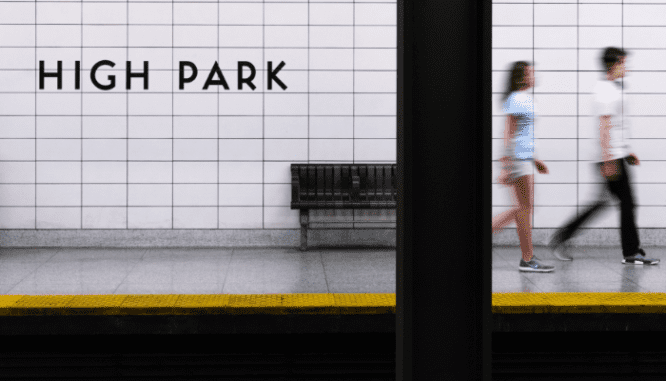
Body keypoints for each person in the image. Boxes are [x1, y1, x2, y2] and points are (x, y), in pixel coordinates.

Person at [549, 47, 659, 265]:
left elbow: (617, 125)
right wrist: (609, 159)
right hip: (610, 157)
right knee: (627, 202)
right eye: (624, 63)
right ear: (614, 64)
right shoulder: (605, 91)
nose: (626, 67)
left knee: (604, 202)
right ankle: (631, 252)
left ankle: (563, 236)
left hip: (615, 155)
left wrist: (627, 152)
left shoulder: (615, 88)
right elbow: (605, 125)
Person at [492, 61, 553, 272]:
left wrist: (536, 160)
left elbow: (524, 135)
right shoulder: (517, 99)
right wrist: (506, 166)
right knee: (523, 210)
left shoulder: (524, 99)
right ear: (521, 78)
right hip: (518, 160)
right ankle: (527, 259)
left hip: (524, 159)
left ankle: (527, 258)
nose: (535, 75)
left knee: (524, 210)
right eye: (531, 72)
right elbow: (509, 132)